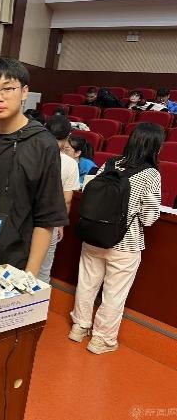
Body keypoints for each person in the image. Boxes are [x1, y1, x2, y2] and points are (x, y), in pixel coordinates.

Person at [0, 57, 68, 274]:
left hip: (12, 264)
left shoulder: (42, 144)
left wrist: (29, 276)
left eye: (7, 89)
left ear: (24, 92)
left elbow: (46, 218)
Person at [69, 123, 163, 354]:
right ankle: (101, 340)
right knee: (114, 294)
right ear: (155, 147)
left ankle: (79, 327)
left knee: (87, 285)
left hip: (93, 236)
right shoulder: (151, 174)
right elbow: (149, 218)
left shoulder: (110, 163)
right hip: (125, 244)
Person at [38, 115, 80, 284]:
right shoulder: (70, 163)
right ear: (68, 136)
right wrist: (60, 224)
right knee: (43, 269)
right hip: (49, 220)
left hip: (22, 216)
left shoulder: (31, 152)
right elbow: (67, 199)